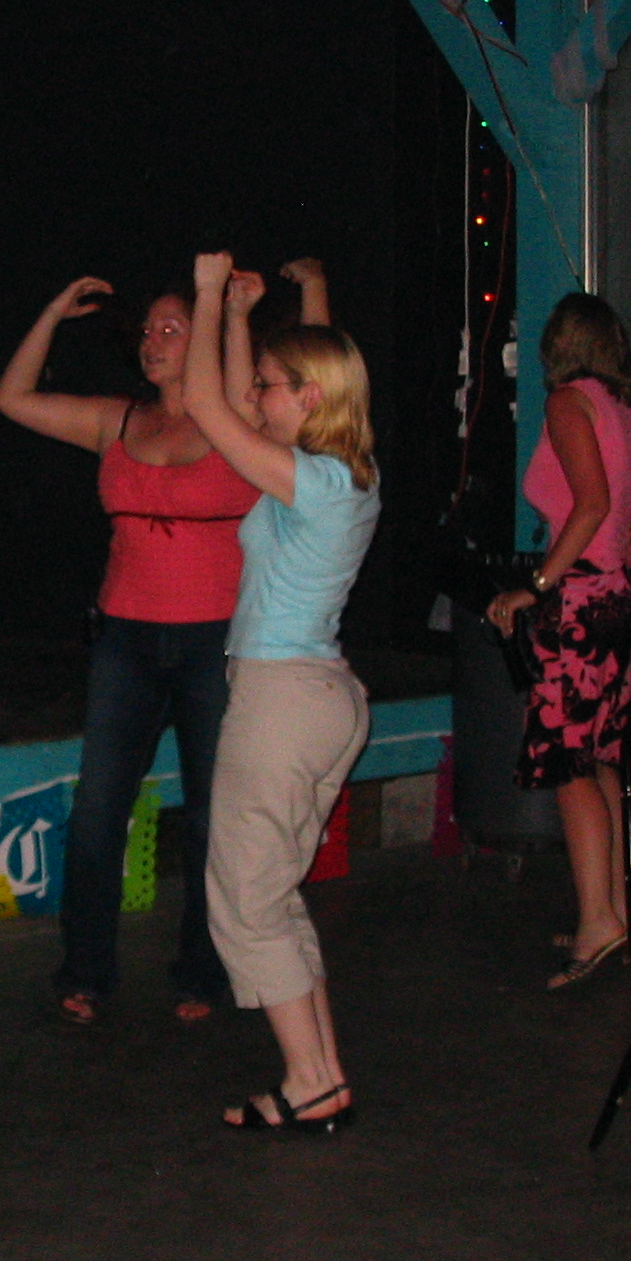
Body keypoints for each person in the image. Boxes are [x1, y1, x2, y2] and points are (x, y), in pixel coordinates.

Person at [0, 262, 330, 1027]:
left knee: (213, 816)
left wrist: (297, 295)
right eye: (147, 330)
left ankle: (203, 973)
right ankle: (84, 970)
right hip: (126, 638)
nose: (153, 341)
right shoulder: (117, 421)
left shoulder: (238, 422)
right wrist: (51, 311)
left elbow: (319, 378)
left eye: (171, 328)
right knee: (98, 810)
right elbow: (10, 398)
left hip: (216, 641)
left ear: (201, 337)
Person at [180, 251, 378, 1132]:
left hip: (283, 701)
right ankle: (322, 1074)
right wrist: (239, 318)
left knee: (246, 899)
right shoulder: (340, 474)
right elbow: (235, 400)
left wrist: (206, 293)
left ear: (311, 396)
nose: (257, 396)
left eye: (272, 386)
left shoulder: (318, 482)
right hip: (314, 696)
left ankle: (308, 1082)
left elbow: (205, 406)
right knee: (272, 893)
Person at [484, 293, 631, 991]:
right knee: (602, 757)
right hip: (619, 592)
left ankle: (599, 921)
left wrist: (537, 585)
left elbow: (591, 506)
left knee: (569, 762)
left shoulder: (567, 404)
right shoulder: (618, 409)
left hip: (584, 598)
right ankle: (612, 912)